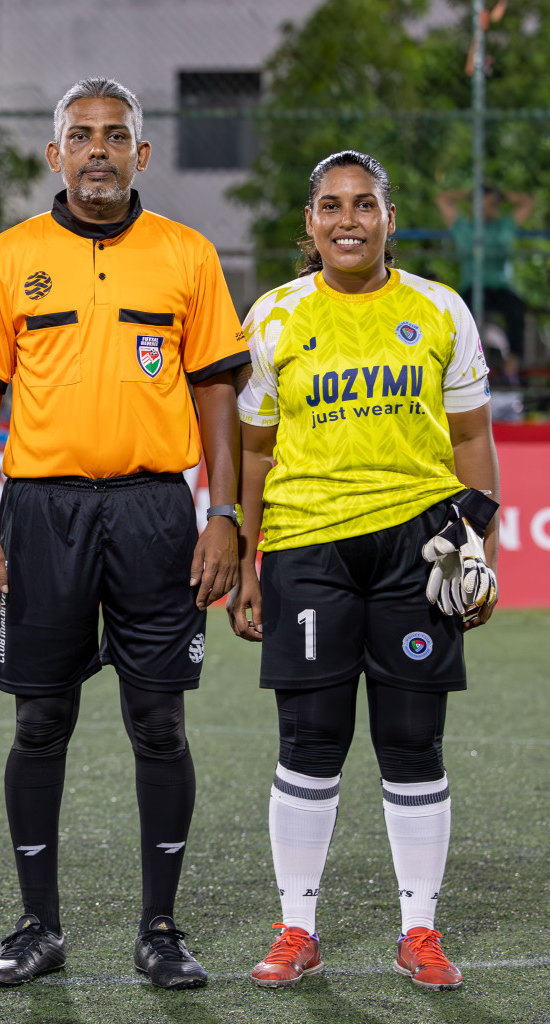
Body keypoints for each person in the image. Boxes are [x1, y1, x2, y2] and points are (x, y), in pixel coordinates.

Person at [0, 77, 247, 990]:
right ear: (54, 155)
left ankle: (159, 929)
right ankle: (38, 925)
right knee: (41, 719)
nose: (97, 151)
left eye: (114, 137)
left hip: (158, 512)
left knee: (158, 721)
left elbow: (217, 394)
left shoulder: (187, 255)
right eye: (80, 136)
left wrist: (225, 515)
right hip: (42, 512)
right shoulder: (9, 258)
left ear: (141, 155)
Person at [230, 150, 498, 992]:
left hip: (417, 550)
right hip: (308, 547)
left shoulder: (438, 310)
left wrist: (478, 542)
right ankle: (296, 929)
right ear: (309, 224)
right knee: (309, 742)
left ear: (389, 216)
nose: (349, 220)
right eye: (332, 206)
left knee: (413, 743)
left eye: (365, 205)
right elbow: (254, 448)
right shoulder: (272, 318)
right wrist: (247, 558)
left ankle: (419, 929)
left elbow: (470, 439)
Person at [436, 184, 533, 381]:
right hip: (472, 286)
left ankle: (512, 361)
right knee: (458, 315)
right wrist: (470, 194)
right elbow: (442, 199)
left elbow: (527, 202)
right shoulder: (464, 227)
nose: (488, 209)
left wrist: (503, 194)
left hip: (500, 286)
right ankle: (464, 364)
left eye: (492, 205)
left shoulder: (504, 225)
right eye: (483, 205)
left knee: (516, 309)